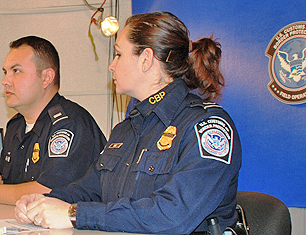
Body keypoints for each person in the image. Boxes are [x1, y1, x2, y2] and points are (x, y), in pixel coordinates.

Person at [15, 11, 242, 234]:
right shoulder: (126, 129)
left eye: (118, 55)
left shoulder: (207, 125)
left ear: (146, 59)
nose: (111, 66)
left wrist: (74, 214)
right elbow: (92, 188)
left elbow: (173, 215)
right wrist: (45, 201)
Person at [0, 36, 107, 205]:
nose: (5, 81)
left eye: (16, 71)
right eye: (5, 72)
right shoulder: (16, 125)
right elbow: (2, 175)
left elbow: (48, 192)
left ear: (46, 78)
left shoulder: (70, 124)